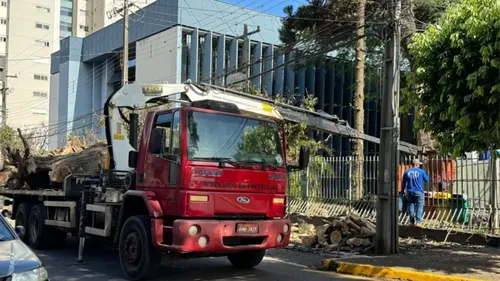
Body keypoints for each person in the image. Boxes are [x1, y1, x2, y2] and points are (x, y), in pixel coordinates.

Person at [401, 158, 429, 227]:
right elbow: (427, 180)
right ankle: (418, 222)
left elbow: (403, 182)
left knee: (411, 205)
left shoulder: (406, 172)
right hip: (419, 191)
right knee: (419, 206)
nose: (419, 165)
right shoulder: (421, 171)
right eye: (419, 164)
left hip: (409, 191)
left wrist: (402, 191)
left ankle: (411, 222)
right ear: (417, 164)